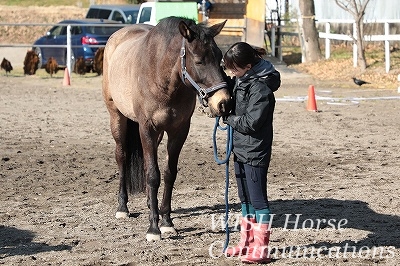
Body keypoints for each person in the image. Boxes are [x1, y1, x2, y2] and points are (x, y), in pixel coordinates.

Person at [221, 42, 280, 263]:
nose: (231, 73)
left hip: (255, 150)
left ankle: (262, 249)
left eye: (233, 69)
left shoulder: (261, 88)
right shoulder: (242, 79)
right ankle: (246, 244)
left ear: (247, 66)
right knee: (244, 199)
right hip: (240, 148)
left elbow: (252, 122)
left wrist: (228, 119)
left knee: (258, 200)